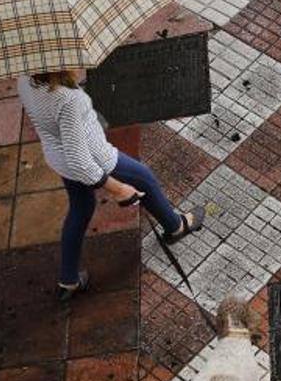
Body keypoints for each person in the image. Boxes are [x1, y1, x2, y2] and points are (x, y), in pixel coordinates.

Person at [17, 68, 204, 301]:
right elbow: (80, 161)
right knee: (143, 176)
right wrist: (117, 188)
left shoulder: (25, 79)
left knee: (80, 210)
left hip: (59, 159)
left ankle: (69, 279)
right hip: (99, 159)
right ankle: (175, 226)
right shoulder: (67, 100)